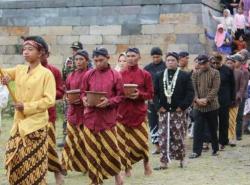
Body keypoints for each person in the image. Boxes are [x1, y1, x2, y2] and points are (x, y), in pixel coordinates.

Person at [1, 36, 56, 184]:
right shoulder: (19, 70)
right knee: (15, 163)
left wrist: (26, 107)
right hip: (18, 125)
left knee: (33, 169)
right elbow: (3, 73)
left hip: (36, 126)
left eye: (30, 49)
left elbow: (49, 100)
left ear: (40, 53)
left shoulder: (46, 74)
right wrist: (4, 77)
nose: (25, 52)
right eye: (24, 49)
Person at [21, 36, 65, 184]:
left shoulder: (54, 71)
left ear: (45, 54)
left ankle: (57, 172)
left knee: (49, 146)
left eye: (44, 53)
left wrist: (47, 93)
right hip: (28, 116)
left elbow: (60, 92)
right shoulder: (26, 70)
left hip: (47, 116)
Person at [81, 47, 123, 185]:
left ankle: (118, 176)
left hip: (107, 119)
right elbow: (83, 92)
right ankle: (95, 180)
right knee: (91, 152)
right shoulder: (89, 74)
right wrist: (84, 99)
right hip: (90, 118)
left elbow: (121, 96)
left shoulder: (115, 75)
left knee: (111, 149)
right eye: (96, 60)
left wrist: (109, 102)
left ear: (108, 58)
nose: (98, 63)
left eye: (101, 60)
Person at [154, 52, 194, 170]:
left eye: (173, 60)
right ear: (165, 62)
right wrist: (158, 106)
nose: (170, 62)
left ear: (177, 62)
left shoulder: (184, 75)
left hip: (178, 111)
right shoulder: (159, 75)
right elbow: (154, 93)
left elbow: (190, 93)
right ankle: (163, 162)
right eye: (168, 60)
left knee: (179, 135)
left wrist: (182, 107)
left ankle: (182, 159)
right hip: (163, 111)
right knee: (163, 136)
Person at [117, 47, 153, 177]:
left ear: (139, 57)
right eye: (128, 56)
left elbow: (150, 94)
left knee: (142, 143)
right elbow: (115, 93)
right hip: (122, 114)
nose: (130, 59)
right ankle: (126, 169)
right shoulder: (119, 75)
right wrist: (123, 95)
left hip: (139, 113)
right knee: (122, 144)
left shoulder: (145, 74)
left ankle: (146, 164)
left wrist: (139, 94)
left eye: (133, 56)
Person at [61, 50, 89, 174]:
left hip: (87, 113)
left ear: (87, 61)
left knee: (85, 141)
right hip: (73, 112)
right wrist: (67, 97)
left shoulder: (91, 74)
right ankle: (63, 165)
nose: (78, 62)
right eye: (76, 59)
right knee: (69, 140)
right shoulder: (71, 75)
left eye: (81, 59)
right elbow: (66, 90)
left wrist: (84, 99)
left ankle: (86, 166)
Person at [190, 54, 220, 159]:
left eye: (204, 63)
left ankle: (215, 149)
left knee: (212, 128)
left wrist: (207, 100)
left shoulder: (215, 73)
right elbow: (192, 89)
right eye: (200, 64)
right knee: (197, 129)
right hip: (198, 106)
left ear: (208, 62)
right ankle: (196, 151)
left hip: (212, 106)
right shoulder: (195, 74)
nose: (202, 66)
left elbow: (215, 89)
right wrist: (197, 99)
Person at [211, 53, 235, 150]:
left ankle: (223, 142)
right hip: (212, 99)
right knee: (212, 122)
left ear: (221, 61)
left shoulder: (227, 70)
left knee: (224, 121)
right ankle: (211, 141)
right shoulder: (210, 70)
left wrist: (232, 99)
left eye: (217, 63)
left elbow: (233, 86)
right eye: (213, 63)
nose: (215, 65)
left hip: (224, 99)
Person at [144, 47, 165, 155]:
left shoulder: (166, 66)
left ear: (161, 56)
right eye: (154, 57)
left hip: (164, 100)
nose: (156, 59)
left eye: (157, 57)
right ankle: (157, 146)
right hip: (151, 100)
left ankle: (166, 145)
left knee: (164, 123)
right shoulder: (147, 68)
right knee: (153, 123)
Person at [226, 54, 245, 146]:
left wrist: (237, 96)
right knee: (223, 120)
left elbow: (242, 87)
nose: (229, 64)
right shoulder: (222, 72)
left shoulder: (239, 73)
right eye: (227, 63)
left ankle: (231, 138)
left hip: (234, 101)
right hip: (224, 101)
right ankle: (224, 138)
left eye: (231, 63)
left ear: (234, 64)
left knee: (232, 120)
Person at [236, 49, 250, 140]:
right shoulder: (233, 69)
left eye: (241, 53)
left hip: (242, 94)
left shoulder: (245, 71)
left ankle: (239, 134)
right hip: (236, 94)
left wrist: (240, 94)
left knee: (241, 114)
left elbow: (243, 85)